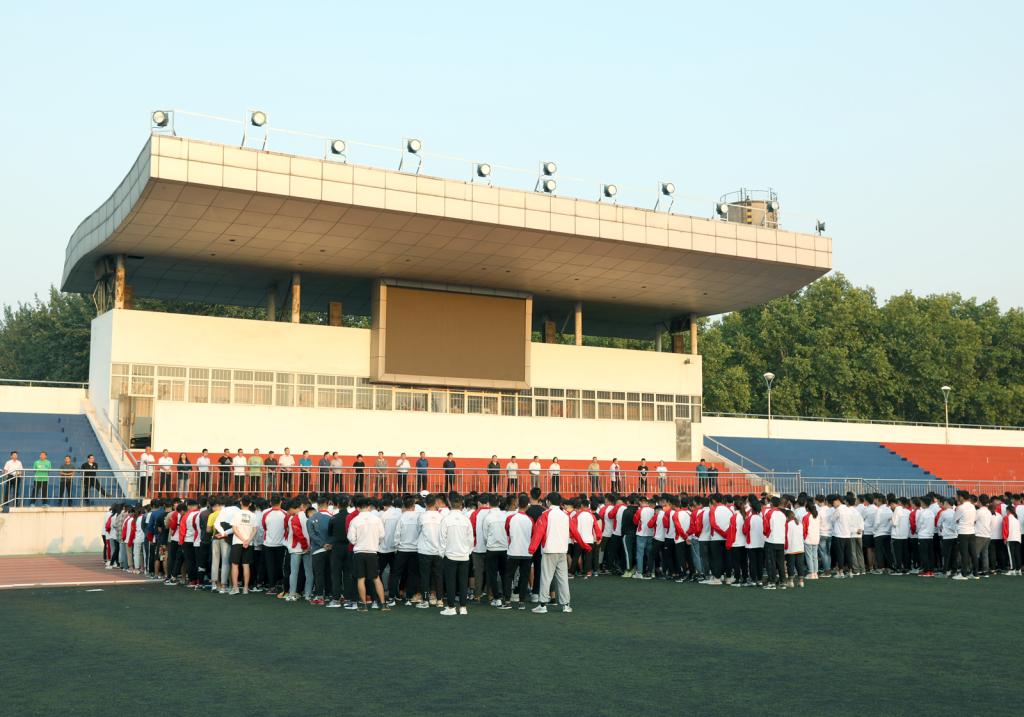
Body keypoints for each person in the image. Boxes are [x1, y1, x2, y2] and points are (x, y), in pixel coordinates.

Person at [529, 493, 588, 614]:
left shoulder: (546, 514)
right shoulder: (565, 515)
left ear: (548, 502)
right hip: (562, 551)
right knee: (563, 579)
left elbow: (538, 532)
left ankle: (543, 605)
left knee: (546, 578)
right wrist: (584, 545)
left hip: (549, 550)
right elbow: (575, 532)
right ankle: (566, 605)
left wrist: (532, 549)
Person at [348, 497, 388, 611]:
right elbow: (382, 535)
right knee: (376, 578)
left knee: (361, 579)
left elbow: (351, 538)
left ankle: (364, 605)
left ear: (357, 508)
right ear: (369, 507)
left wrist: (358, 542)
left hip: (359, 552)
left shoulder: (355, 520)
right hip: (372, 552)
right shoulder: (377, 519)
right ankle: (383, 604)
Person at [438, 494, 473, 615]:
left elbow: (442, 539)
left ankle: (451, 607)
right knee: (463, 582)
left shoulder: (446, 519)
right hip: (464, 555)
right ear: (461, 504)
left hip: (450, 555)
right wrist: (468, 551)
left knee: (450, 582)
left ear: (450, 504)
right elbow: (470, 539)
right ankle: (463, 607)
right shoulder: (466, 519)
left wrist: (442, 553)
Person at [500, 495, 534, 609]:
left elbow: (507, 531)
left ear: (518, 504)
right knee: (524, 577)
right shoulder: (530, 520)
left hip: (513, 551)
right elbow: (532, 534)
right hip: (526, 552)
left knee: (508, 576)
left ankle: (507, 601)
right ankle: (521, 602)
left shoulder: (511, 518)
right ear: (527, 505)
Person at [389, 496, 422, 606]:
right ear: (413, 506)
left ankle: (392, 597)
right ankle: (409, 597)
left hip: (402, 549)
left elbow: (397, 534)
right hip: (415, 549)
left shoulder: (402, 518)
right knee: (413, 574)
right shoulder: (418, 517)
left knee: (395, 573)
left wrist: (396, 547)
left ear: (404, 506)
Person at [416, 494, 444, 607]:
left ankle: (426, 600)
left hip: (425, 550)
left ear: (425, 504)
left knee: (425, 576)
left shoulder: (422, 517)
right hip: (438, 550)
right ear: (435, 503)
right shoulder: (441, 517)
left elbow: (418, 531)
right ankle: (439, 600)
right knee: (438, 576)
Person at [285, 499, 312, 601]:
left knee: (294, 572)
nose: (288, 512)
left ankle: (292, 594)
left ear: (292, 508)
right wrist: (307, 546)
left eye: (288, 510)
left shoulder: (294, 518)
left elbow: (298, 534)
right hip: (308, 547)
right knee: (309, 572)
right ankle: (308, 594)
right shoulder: (307, 515)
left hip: (297, 548)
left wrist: (304, 546)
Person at [229, 498, 258, 594]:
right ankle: (245, 588)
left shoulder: (236, 514)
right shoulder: (253, 515)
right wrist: (248, 540)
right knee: (246, 565)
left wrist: (243, 540)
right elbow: (255, 530)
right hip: (248, 543)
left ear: (241, 502)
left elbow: (234, 529)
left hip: (237, 542)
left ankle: (235, 588)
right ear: (250, 504)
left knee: (235, 565)